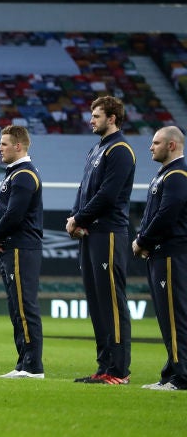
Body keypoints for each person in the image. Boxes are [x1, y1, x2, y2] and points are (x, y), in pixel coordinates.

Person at [67, 96, 135, 385]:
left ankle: (118, 369)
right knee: (96, 302)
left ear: (112, 118)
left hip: (108, 232)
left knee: (111, 301)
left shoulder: (120, 149)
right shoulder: (97, 149)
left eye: (96, 115)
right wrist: (75, 218)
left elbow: (107, 195)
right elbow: (85, 190)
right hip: (91, 233)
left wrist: (79, 219)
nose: (91, 120)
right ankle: (104, 366)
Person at [0, 126, 45, 379]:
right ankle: (23, 362)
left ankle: (33, 366)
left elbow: (14, 214)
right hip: (13, 246)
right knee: (16, 307)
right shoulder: (16, 174)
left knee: (24, 306)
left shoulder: (23, 175)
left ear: (18, 146)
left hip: (22, 247)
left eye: (4, 143)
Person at [133, 126, 187, 390]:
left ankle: (181, 376)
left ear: (172, 145)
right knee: (168, 316)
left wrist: (143, 240)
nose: (151, 147)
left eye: (156, 142)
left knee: (175, 316)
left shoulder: (177, 175)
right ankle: (171, 371)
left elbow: (167, 214)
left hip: (171, 253)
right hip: (162, 253)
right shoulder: (166, 174)